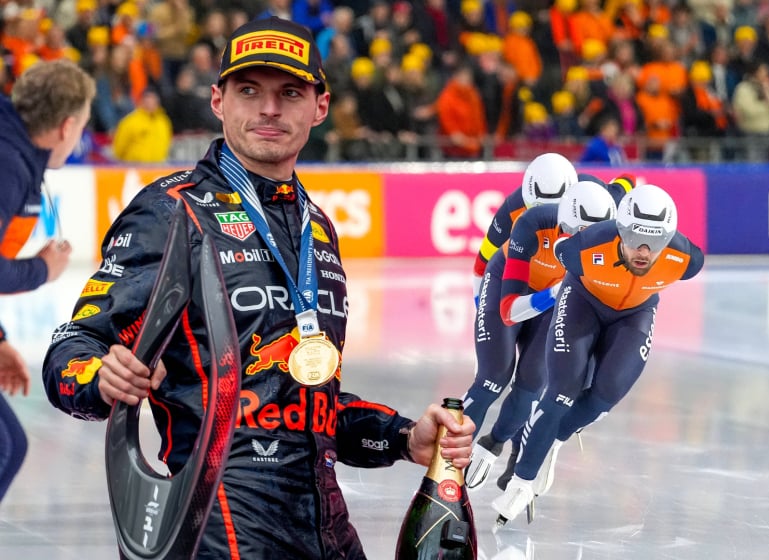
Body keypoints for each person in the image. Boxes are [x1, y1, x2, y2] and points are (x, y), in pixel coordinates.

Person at [41, 17, 474, 559]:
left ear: (319, 107)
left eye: (289, 93)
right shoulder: (172, 212)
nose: (269, 109)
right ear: (219, 101)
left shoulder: (317, 227)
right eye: (250, 91)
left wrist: (404, 438)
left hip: (326, 528)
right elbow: (71, 348)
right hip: (218, 526)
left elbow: (309, 406)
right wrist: (99, 376)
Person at [491, 184, 704, 525]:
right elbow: (560, 247)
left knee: (607, 394)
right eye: (634, 237)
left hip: (635, 314)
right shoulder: (585, 248)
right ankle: (521, 481)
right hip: (582, 304)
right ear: (620, 229)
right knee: (560, 393)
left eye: (655, 242)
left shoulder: (686, 259)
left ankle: (556, 438)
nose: (644, 252)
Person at [463, 179, 629, 492]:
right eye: (576, 235)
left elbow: (624, 185)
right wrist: (480, 300)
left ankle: (497, 443)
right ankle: (448, 462)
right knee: (492, 378)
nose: (583, 243)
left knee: (531, 386)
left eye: (593, 237)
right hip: (511, 287)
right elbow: (509, 310)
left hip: (555, 296)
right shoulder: (531, 221)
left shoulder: (614, 222)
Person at [0, 59, 95, 502]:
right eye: (82, 129)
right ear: (66, 126)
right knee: (5, 448)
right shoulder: (9, 165)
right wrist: (43, 270)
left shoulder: (14, 152)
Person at [469, 152, 579, 302]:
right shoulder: (511, 210)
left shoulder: (588, 201)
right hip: (524, 285)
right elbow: (482, 263)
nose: (546, 220)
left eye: (555, 211)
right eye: (538, 211)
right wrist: (480, 306)